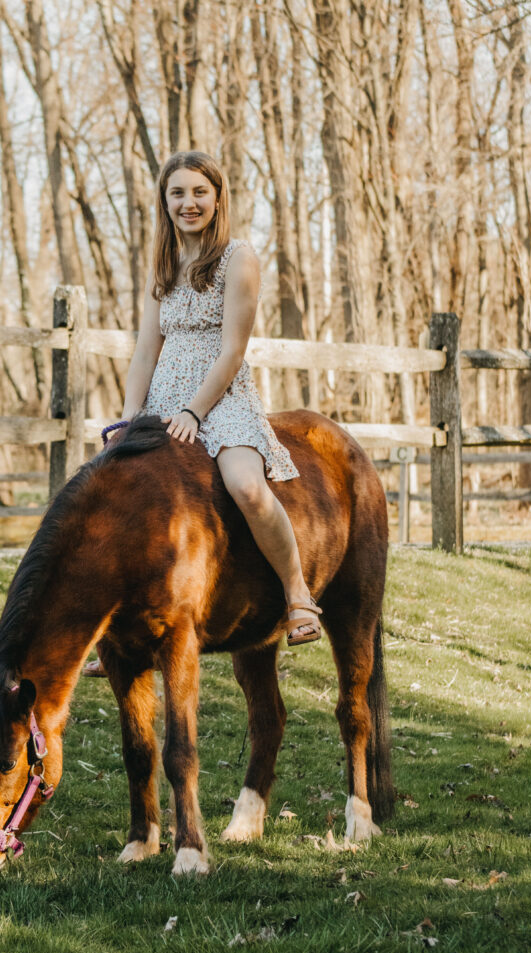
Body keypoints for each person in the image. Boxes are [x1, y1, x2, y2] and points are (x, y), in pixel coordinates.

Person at [83, 151, 321, 678]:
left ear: (217, 198)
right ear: (164, 201)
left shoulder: (239, 257)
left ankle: (297, 592)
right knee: (117, 495)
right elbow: (146, 350)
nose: (188, 203)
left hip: (223, 397)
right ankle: (116, 635)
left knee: (247, 488)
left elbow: (233, 350)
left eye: (198, 192)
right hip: (164, 399)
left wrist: (196, 409)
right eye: (177, 193)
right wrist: (127, 420)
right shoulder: (163, 265)